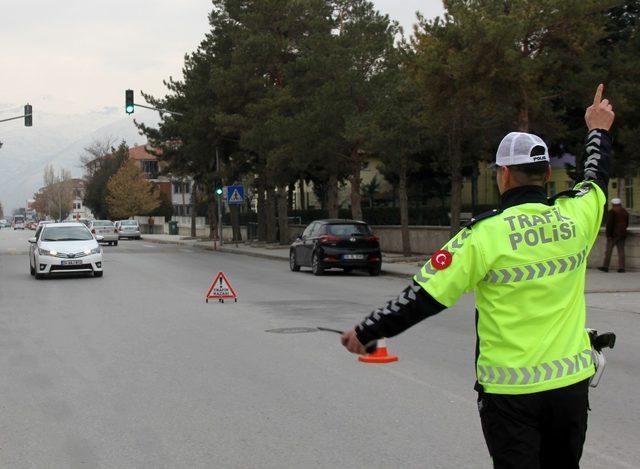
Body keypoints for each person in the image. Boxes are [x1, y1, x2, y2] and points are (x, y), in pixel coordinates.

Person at [341, 84, 615, 469]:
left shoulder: (482, 236)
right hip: (569, 388)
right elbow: (596, 175)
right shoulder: (577, 216)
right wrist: (597, 129)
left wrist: (368, 330)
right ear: (546, 175)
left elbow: (422, 296)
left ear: (503, 175)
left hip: (510, 396)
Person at [599, 198, 629, 273]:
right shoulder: (625, 212)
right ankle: (622, 268)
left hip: (613, 235)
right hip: (622, 233)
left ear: (613, 204)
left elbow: (609, 224)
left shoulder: (612, 212)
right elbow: (627, 223)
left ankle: (605, 267)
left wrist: (608, 235)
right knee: (621, 251)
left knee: (608, 251)